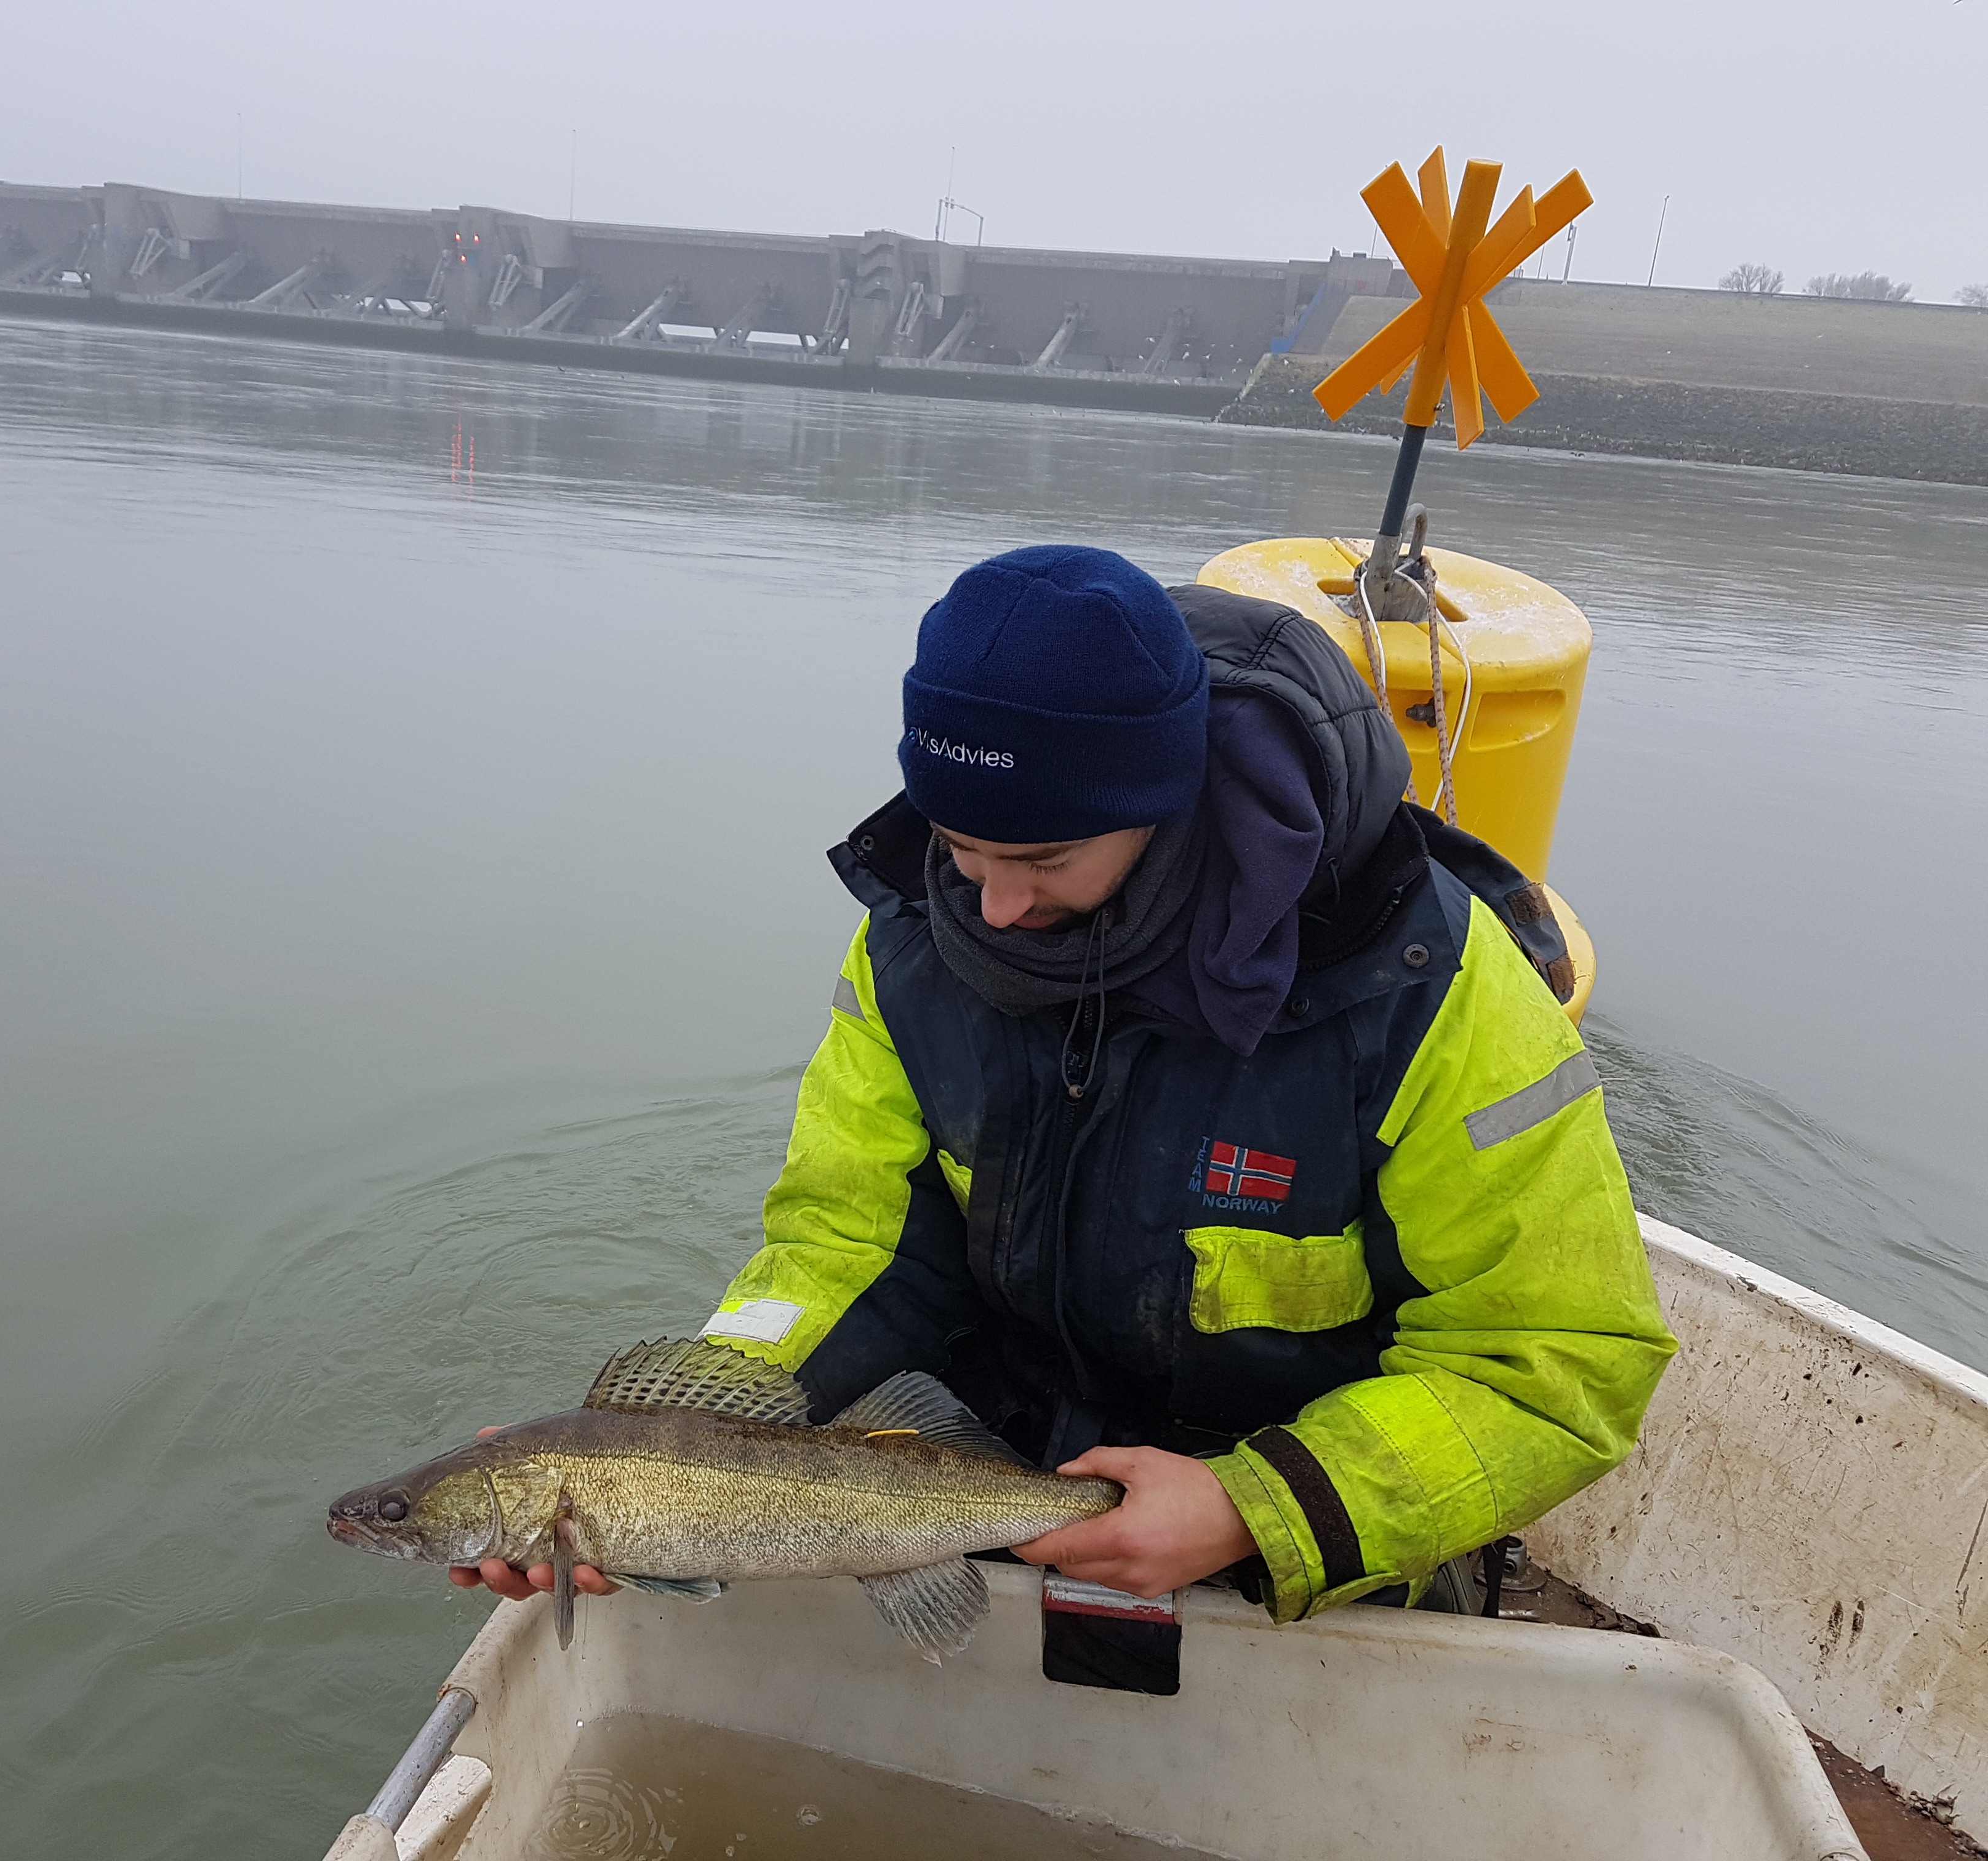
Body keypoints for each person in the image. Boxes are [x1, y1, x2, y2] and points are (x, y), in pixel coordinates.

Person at [457, 543, 1675, 1624]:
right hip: (978, 1503)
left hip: (1322, 1552)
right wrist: (656, 1458)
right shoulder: (911, 946)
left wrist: (1253, 1509)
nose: (989, 905)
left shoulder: (1428, 983)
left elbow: (1558, 1363)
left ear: (1168, 804)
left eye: (1042, 857)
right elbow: (846, 1246)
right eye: (957, 845)